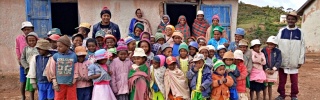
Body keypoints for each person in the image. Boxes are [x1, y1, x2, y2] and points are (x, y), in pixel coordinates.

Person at [275, 11, 305, 100]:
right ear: (286, 20)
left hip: (294, 61)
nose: (290, 20)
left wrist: (300, 60)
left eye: (292, 19)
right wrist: (277, 59)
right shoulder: (282, 31)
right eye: (289, 19)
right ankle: (281, 95)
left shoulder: (300, 32)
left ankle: (294, 95)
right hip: (283, 60)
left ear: (296, 20)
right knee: (282, 80)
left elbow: (302, 46)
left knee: (294, 81)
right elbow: (276, 45)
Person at [45, 35, 78, 100]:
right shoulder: (55, 56)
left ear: (67, 46)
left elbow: (76, 68)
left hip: (70, 83)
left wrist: (74, 79)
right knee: (58, 98)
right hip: (59, 83)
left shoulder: (73, 56)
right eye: (57, 46)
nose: (58, 48)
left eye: (60, 46)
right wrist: (54, 81)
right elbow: (52, 69)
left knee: (71, 98)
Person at [16, 21, 34, 100]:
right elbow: (17, 48)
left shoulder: (35, 38)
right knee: (23, 81)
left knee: (31, 81)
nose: (27, 31)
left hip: (33, 64)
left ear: (32, 29)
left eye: (29, 29)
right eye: (25, 30)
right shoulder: (19, 38)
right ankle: (23, 95)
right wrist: (19, 58)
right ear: (23, 30)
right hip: (23, 63)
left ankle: (31, 96)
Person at [261, 36, 282, 100]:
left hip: (273, 71)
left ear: (275, 45)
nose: (270, 46)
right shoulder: (263, 50)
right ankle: (264, 98)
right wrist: (266, 68)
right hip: (265, 70)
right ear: (267, 43)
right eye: (269, 44)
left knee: (270, 85)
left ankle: (270, 98)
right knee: (264, 85)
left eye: (272, 44)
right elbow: (262, 60)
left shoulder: (278, 51)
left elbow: (279, 60)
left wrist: (274, 69)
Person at [20, 32, 38, 100]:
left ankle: (40, 97)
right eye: (29, 41)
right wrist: (26, 66)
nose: (31, 42)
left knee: (39, 85)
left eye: (33, 40)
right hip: (29, 70)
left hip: (38, 69)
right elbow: (22, 59)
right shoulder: (25, 49)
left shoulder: (38, 48)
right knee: (31, 86)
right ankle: (31, 98)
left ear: (36, 40)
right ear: (27, 41)